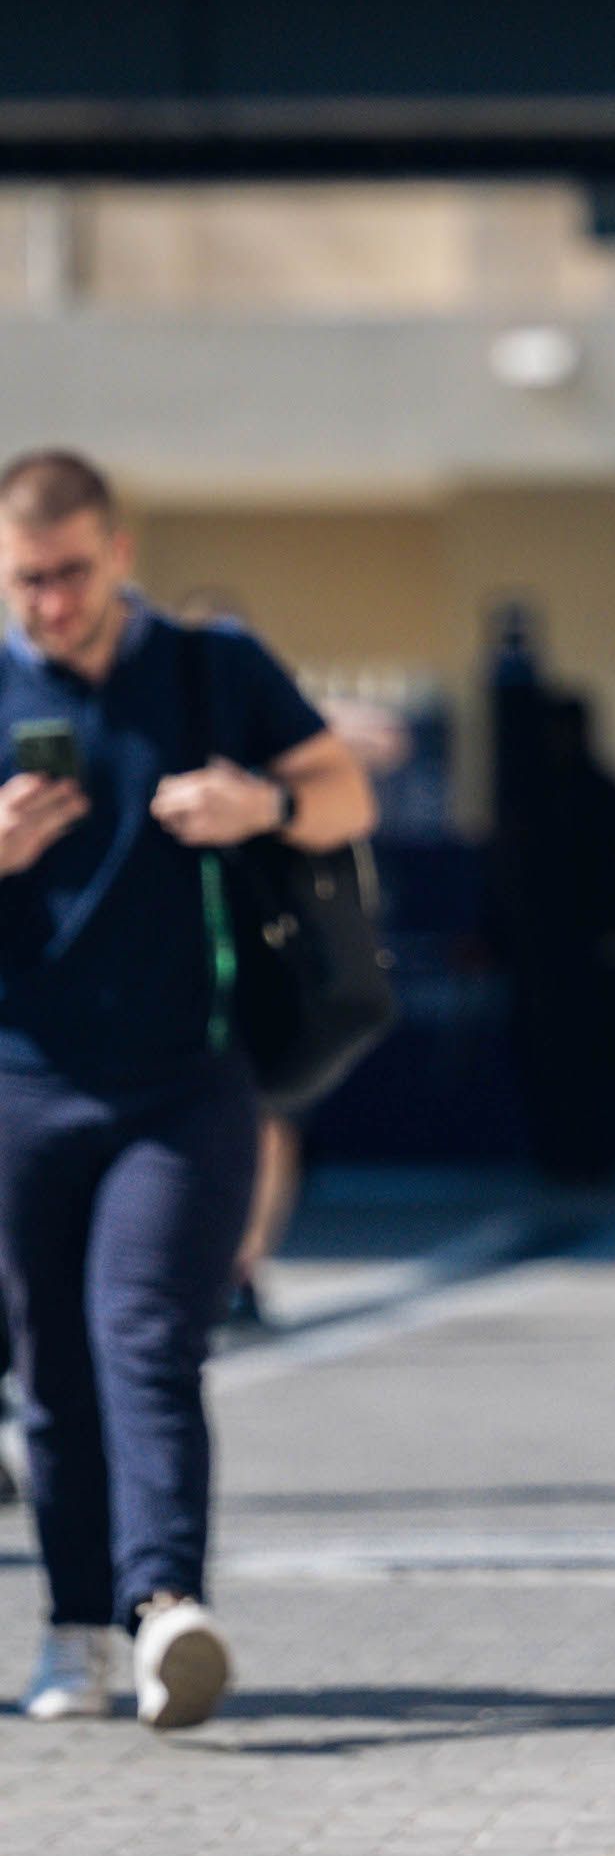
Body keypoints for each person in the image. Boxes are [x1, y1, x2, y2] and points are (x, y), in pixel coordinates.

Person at [0, 451, 374, 1726]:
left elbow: (344, 792)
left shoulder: (210, 666)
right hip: (24, 1087)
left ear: (117, 551)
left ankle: (165, 1611)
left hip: (186, 1083)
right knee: (54, 1371)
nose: (50, 604)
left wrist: (256, 800)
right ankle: (72, 1629)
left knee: (145, 1338)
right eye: (25, 582)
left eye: (68, 573)